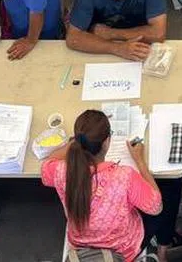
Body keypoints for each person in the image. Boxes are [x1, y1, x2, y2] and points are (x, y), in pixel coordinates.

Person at [41, 108, 162, 262]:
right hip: (122, 251)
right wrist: (140, 161)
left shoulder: (62, 171)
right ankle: (163, 250)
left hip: (80, 247)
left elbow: (47, 164)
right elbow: (156, 207)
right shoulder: (124, 176)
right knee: (167, 188)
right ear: (106, 142)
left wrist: (74, 143)